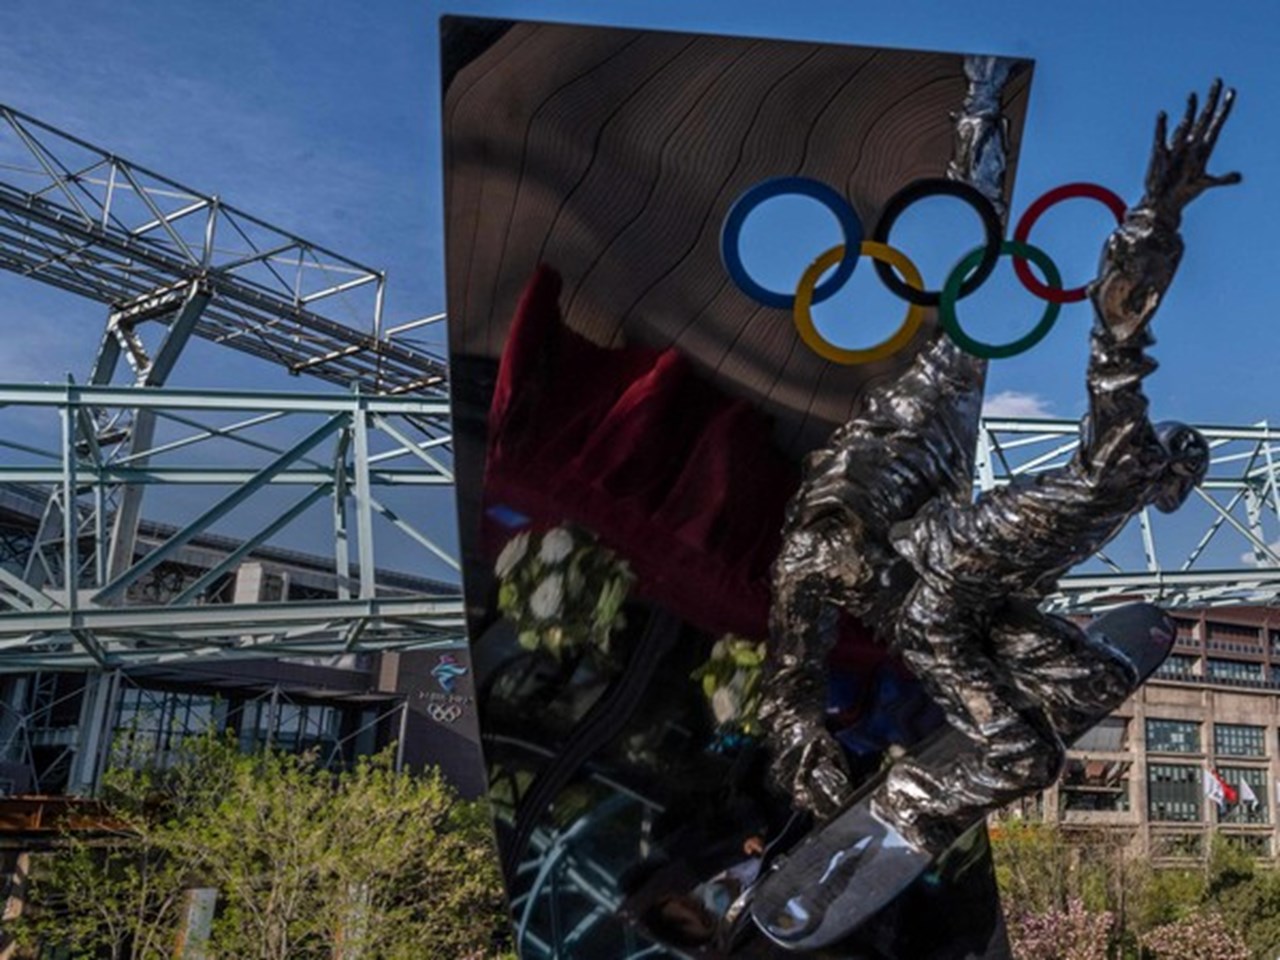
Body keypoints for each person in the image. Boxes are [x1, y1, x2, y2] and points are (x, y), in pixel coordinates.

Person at [760, 76, 1237, 855]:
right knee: (1025, 750)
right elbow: (1109, 342)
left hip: (957, 581)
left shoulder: (996, 422)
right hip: (926, 586)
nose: (1173, 491)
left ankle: (998, 721)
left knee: (1088, 684)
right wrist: (1158, 211)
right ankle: (925, 797)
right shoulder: (993, 411)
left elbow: (980, 241)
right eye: (1175, 479)